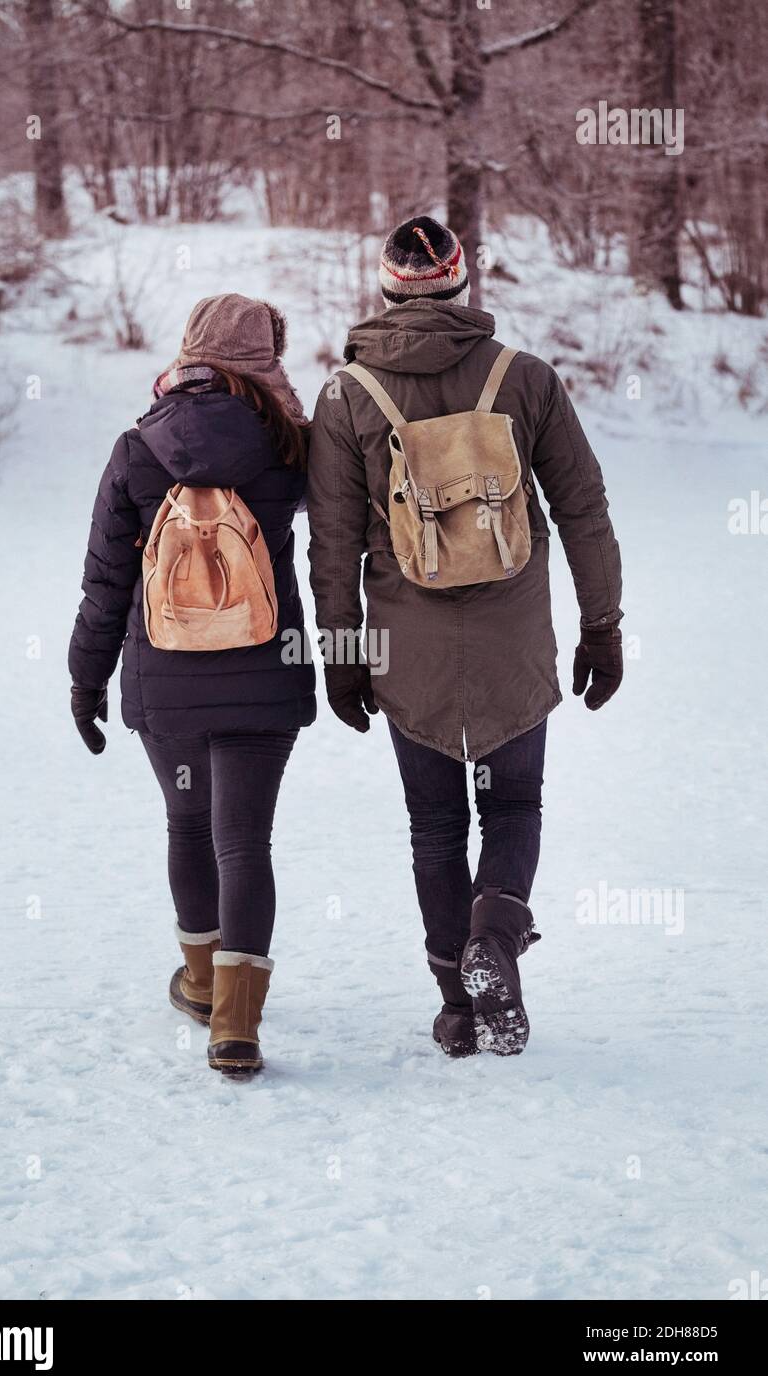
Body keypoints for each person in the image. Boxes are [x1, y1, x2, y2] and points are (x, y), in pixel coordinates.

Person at [307, 216, 623, 1059]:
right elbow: (583, 509)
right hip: (514, 639)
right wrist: (603, 627)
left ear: (385, 293)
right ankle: (497, 936)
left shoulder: (346, 396)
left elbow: (334, 547)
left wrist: (341, 661)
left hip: (409, 652)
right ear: (462, 286)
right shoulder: (526, 379)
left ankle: (457, 1000)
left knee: (434, 828)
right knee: (514, 804)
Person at [68, 294, 316, 1076]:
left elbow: (106, 583)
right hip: (262, 676)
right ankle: (236, 1026)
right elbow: (339, 539)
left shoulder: (138, 447)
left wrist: (86, 679)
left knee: (187, 826)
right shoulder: (291, 447)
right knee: (245, 840)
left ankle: (202, 981)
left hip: (164, 679)